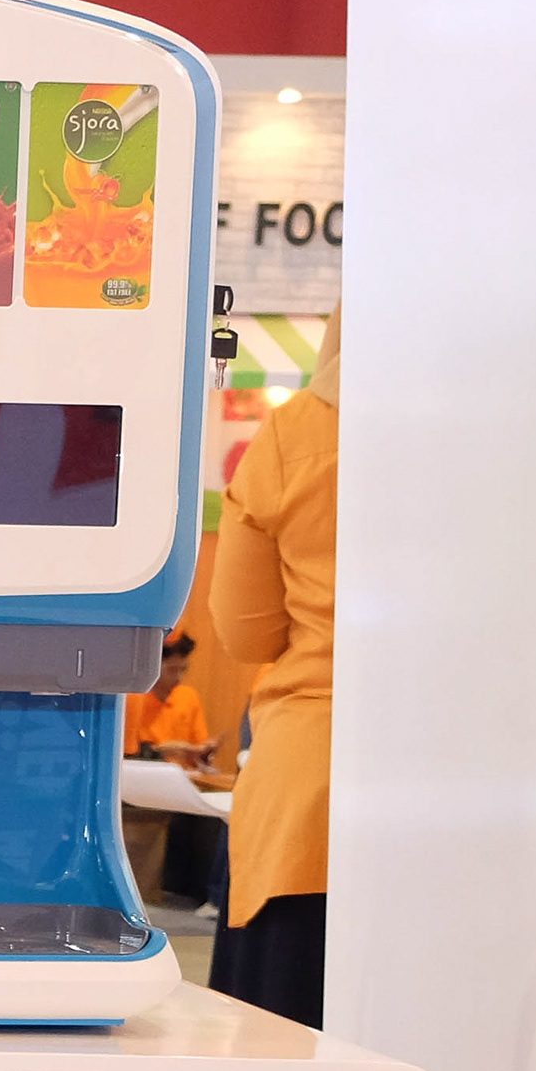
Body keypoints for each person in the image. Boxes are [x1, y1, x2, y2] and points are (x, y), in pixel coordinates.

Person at [206, 312, 339, 1028]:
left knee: (291, 1056)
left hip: (309, 800)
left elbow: (246, 631)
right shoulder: (522, 438)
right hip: (487, 792)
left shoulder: (298, 434)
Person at [125, 631, 212, 765]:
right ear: (153, 667)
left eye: (183, 670)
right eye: (172, 670)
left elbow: (200, 749)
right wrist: (160, 752)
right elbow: (127, 753)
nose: (178, 678)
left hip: (182, 774)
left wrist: (204, 752)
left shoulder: (188, 697)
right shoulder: (133, 698)